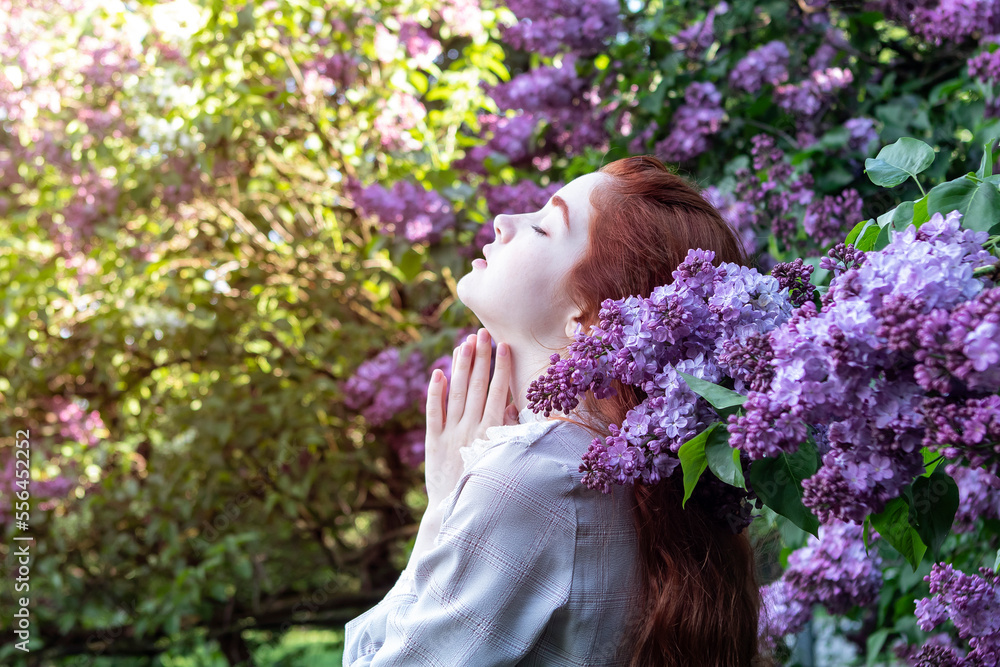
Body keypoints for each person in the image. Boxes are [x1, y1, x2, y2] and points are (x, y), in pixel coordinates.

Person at [343, 156, 762, 666]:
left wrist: (441, 511)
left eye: (544, 226)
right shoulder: (630, 480)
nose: (504, 221)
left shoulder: (531, 476)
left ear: (587, 314)